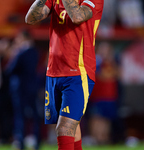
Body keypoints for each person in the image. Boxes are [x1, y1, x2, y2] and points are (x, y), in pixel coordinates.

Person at [25, 0, 104, 149]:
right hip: (54, 71)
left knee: (64, 128)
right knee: (73, 129)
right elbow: (30, 18)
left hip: (78, 71)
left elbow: (77, 16)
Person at [7, 30, 41, 150]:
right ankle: (37, 141)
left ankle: (20, 142)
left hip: (20, 88)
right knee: (35, 116)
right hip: (32, 87)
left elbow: (10, 70)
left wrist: (14, 54)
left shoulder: (20, 53)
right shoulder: (35, 52)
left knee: (20, 116)